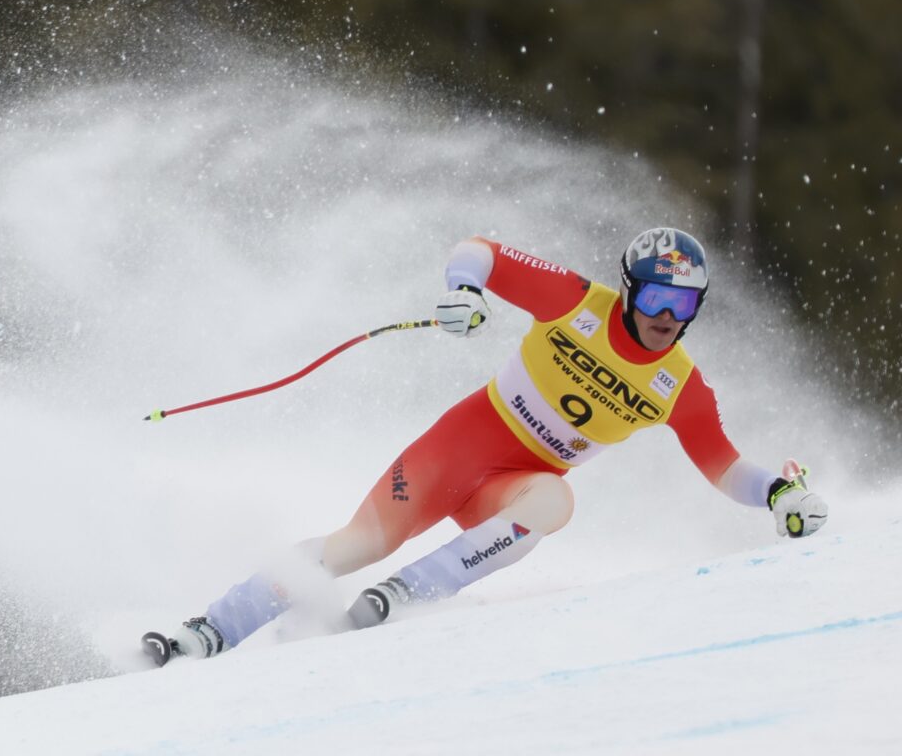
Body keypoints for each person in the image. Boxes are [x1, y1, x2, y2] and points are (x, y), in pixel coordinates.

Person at [142, 228, 829, 666]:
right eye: (654, 298)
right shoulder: (575, 303)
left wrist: (777, 493)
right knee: (357, 545)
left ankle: (405, 595)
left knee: (556, 500)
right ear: (628, 290)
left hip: (518, 482)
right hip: (459, 448)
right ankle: (212, 628)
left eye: (682, 307)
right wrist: (465, 291)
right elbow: (481, 251)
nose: (662, 319)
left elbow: (724, 465)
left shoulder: (680, 385)